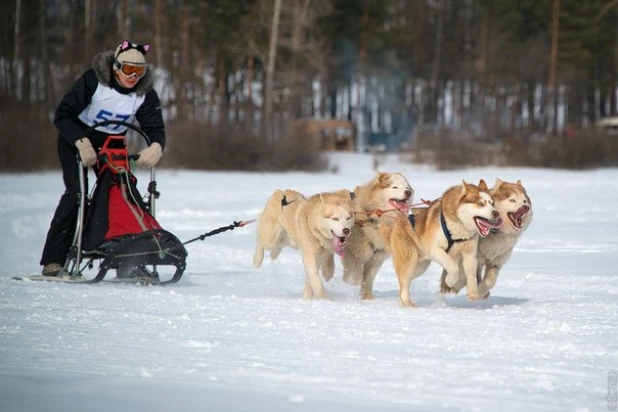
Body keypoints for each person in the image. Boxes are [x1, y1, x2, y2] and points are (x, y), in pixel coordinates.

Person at [40, 40, 166, 276]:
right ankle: (54, 261)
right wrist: (80, 141)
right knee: (77, 193)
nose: (133, 76)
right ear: (116, 66)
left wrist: (156, 147)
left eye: (139, 71)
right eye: (128, 69)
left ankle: (128, 260)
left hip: (112, 145)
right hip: (77, 139)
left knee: (123, 193)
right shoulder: (94, 81)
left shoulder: (145, 94)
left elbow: (156, 129)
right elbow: (63, 115)